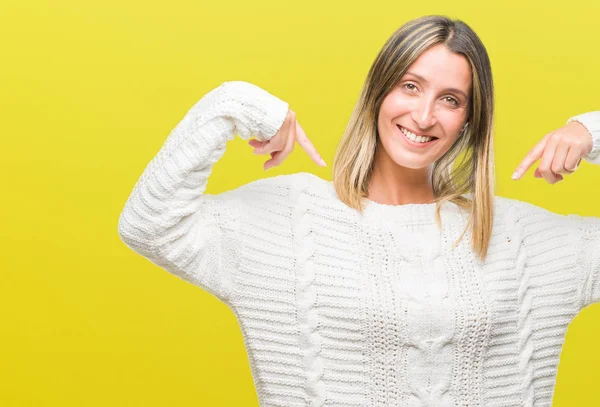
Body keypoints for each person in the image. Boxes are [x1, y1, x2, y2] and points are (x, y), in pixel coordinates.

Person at [117, 15, 600, 407]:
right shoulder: (288, 221)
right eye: (410, 86)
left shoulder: (520, 237)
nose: (425, 115)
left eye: (450, 100)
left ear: (469, 121)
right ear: (379, 91)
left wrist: (589, 133)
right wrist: (238, 105)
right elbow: (148, 224)